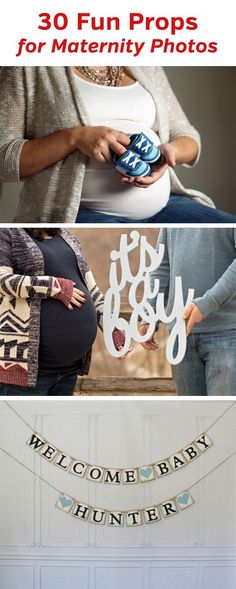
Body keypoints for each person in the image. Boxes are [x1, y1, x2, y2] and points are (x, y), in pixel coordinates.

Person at [0, 66, 235, 223]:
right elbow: (3, 158)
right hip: (77, 214)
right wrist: (73, 138)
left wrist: (170, 153)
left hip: (164, 206)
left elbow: (187, 135)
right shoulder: (27, 66)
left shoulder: (144, 62)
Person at [0, 228, 124, 396]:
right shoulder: (7, 233)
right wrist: (54, 287)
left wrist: (112, 328)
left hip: (69, 371)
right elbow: (3, 281)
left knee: (57, 423)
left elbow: (91, 289)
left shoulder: (67, 236)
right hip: (24, 372)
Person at [140, 228, 236, 395]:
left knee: (222, 415)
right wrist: (150, 315)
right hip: (180, 334)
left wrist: (207, 303)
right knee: (191, 415)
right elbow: (162, 265)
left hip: (226, 331)